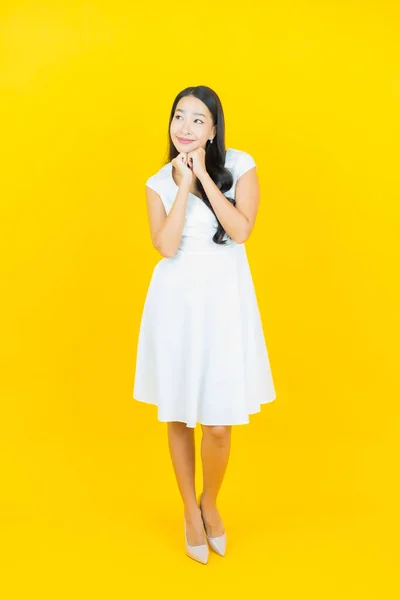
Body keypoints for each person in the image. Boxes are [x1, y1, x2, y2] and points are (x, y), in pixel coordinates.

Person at [133, 85, 276, 564]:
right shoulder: (157, 181)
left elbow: (240, 231)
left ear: (214, 129)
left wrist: (205, 181)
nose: (186, 127)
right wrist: (181, 188)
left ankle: (210, 501)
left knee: (217, 425)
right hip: (175, 304)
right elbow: (166, 246)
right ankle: (189, 513)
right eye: (179, 117)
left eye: (198, 119)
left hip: (224, 303)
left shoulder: (241, 163)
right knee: (178, 411)